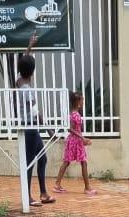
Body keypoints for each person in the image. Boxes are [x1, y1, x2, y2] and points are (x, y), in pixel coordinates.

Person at [17, 46, 55, 206]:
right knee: (30, 162)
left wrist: (29, 47)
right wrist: (46, 126)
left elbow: (24, 62)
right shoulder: (26, 89)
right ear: (32, 71)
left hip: (32, 128)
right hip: (30, 127)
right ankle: (27, 196)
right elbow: (33, 110)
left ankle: (43, 193)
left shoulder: (19, 80)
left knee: (42, 158)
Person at [54, 91, 97, 195]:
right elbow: (70, 129)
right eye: (82, 100)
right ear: (78, 102)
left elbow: (73, 129)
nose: (83, 103)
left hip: (74, 141)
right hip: (75, 142)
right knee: (83, 162)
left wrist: (82, 139)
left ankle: (57, 184)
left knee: (67, 162)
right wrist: (82, 138)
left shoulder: (73, 114)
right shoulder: (76, 115)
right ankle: (87, 188)